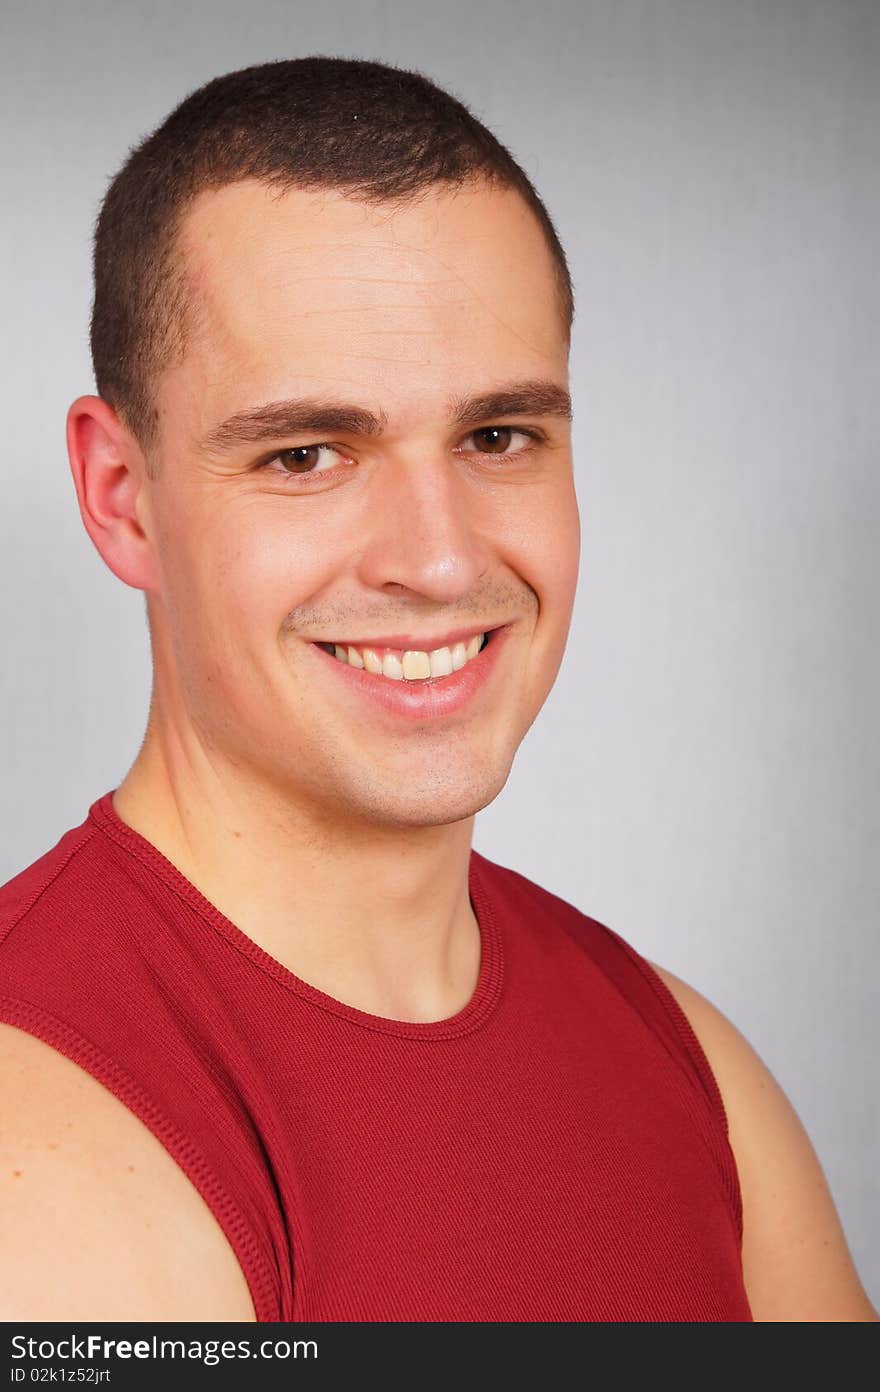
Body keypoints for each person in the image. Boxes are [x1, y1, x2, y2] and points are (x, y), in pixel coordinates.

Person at [0, 56, 875, 1324]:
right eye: (308, 454)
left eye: (497, 437)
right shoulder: (43, 1121)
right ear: (121, 497)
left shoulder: (690, 1065)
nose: (442, 557)